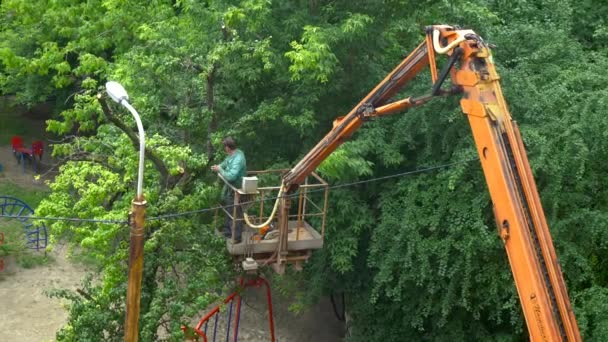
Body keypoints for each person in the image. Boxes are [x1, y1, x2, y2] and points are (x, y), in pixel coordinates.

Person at [211, 136, 246, 243]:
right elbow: (225, 163)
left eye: (224, 146)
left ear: (227, 147)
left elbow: (231, 176)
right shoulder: (231, 155)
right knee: (228, 209)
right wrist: (218, 166)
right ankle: (227, 232)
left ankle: (236, 237)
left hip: (237, 189)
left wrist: (220, 169)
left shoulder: (238, 158)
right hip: (230, 188)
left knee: (235, 212)